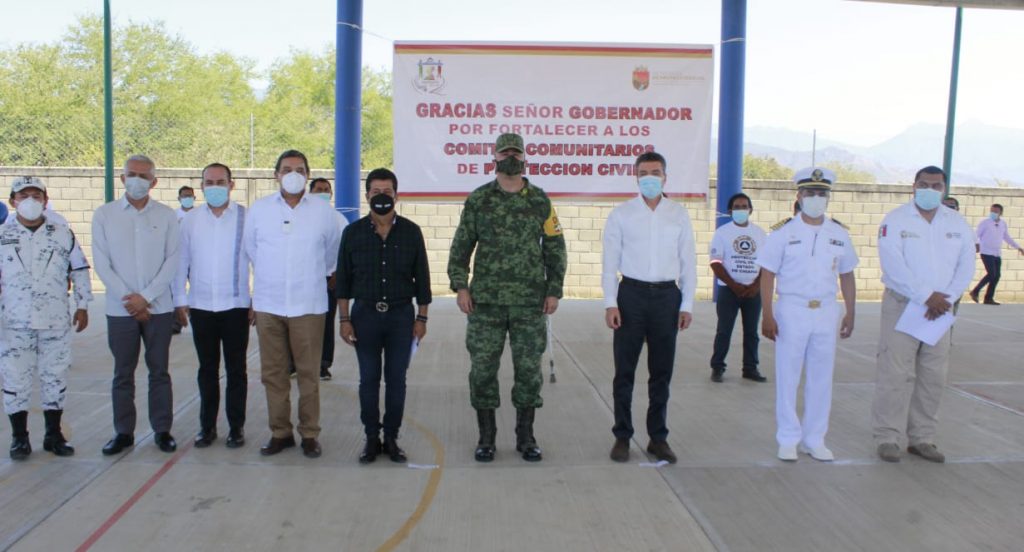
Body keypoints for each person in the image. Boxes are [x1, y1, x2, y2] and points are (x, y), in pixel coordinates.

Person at [448, 133, 567, 463]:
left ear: (525, 157)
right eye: (505, 153)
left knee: (529, 371)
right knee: (483, 370)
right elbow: (460, 248)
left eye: (516, 152)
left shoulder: (540, 200)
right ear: (495, 157)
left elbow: (556, 249)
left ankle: (526, 436)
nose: (510, 157)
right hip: (485, 303)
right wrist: (461, 286)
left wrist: (554, 289)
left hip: (530, 303)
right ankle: (486, 437)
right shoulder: (479, 200)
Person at [872, 167, 976, 463]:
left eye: (936, 185)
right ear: (914, 186)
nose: (930, 189)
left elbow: (966, 266)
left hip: (941, 309)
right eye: (924, 184)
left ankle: (922, 438)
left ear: (944, 189)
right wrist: (925, 296)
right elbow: (893, 265)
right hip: (903, 304)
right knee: (894, 373)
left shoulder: (957, 223)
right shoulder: (896, 220)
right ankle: (887, 437)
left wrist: (946, 299)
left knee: (933, 376)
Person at [244, 150, 342, 459]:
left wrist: (319, 274)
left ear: (308, 174)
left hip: (308, 305)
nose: (293, 174)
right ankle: (280, 432)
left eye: (300, 169)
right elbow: (251, 251)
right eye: (287, 169)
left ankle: (310, 434)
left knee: (308, 374)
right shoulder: (259, 211)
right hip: (269, 304)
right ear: (276, 174)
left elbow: (333, 254)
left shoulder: (325, 213)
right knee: (273, 374)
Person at [601, 151, 696, 464]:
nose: (650, 178)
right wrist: (610, 303)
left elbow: (689, 263)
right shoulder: (622, 214)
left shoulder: (678, 214)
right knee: (624, 372)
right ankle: (622, 437)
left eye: (656, 172)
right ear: (636, 176)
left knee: (661, 373)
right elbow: (609, 263)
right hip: (631, 296)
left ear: (665, 177)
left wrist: (687, 304)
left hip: (667, 298)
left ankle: (658, 438)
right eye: (644, 173)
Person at [758, 167, 858, 462]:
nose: (816, 199)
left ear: (828, 198)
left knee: (821, 377)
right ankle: (788, 437)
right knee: (788, 376)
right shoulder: (783, 233)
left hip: (826, 309)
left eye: (822, 194)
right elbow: (767, 275)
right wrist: (767, 314)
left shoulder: (838, 233)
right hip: (792, 308)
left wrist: (851, 312)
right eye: (810, 193)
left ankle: (815, 439)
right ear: (799, 196)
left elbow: (847, 274)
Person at [337, 168, 431, 464]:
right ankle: (370, 438)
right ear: (367, 196)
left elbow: (423, 280)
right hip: (364, 314)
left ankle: (391, 437)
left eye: (387, 192)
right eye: (376, 192)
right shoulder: (352, 233)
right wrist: (344, 319)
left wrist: (422, 319)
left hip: (401, 316)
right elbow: (343, 281)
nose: (381, 197)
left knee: (396, 380)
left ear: (396, 196)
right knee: (368, 380)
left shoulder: (411, 231)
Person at [92, 155, 180, 455]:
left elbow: (172, 261)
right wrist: (130, 300)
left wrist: (147, 297)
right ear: (122, 178)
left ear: (154, 182)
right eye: (132, 174)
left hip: (159, 308)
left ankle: (162, 430)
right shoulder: (104, 215)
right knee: (122, 373)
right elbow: (102, 263)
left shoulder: (168, 216)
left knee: (159, 372)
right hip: (120, 310)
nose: (137, 180)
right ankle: (123, 432)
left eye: (144, 176)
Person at [1, 177, 92, 460]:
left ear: (46, 199)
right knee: (16, 380)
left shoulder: (63, 233)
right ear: (12, 201)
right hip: (14, 323)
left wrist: (83, 304)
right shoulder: (2, 236)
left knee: (55, 377)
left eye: (36, 194)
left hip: (55, 320)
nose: (30, 199)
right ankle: (19, 438)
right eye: (23, 194)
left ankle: (54, 435)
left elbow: (79, 269)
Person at [172, 163, 251, 449]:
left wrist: (255, 299)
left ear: (231, 185)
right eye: (209, 182)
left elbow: (259, 260)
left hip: (236, 306)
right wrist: (180, 300)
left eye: (221, 182)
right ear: (201, 185)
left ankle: (236, 427)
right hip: (201, 307)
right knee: (207, 369)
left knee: (236, 371)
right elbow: (181, 261)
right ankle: (207, 427)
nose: (215, 187)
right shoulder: (190, 221)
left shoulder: (246, 217)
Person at [709, 192, 768, 383]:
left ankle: (750, 368)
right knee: (724, 330)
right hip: (729, 291)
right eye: (737, 207)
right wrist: (734, 286)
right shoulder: (722, 233)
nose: (741, 210)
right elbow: (716, 262)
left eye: (744, 206)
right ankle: (718, 367)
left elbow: (767, 264)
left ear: (751, 210)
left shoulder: (760, 233)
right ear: (730, 211)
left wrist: (756, 286)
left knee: (752, 332)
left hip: (753, 291)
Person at [309, 177, 348, 380]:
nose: (322, 192)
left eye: (326, 189)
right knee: (299, 321)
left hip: (329, 279)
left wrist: (337, 273)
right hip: (305, 279)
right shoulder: (301, 216)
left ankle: (324, 364)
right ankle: (293, 363)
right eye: (318, 189)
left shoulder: (338, 219)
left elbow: (345, 250)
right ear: (310, 192)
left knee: (325, 324)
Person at [969, 203, 1023, 305]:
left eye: (995, 211)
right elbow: (976, 235)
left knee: (997, 275)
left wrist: (1018, 247)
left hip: (997, 253)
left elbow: (1007, 237)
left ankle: (988, 298)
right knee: (991, 274)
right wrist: (975, 245)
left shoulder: (1003, 224)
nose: (993, 213)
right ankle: (975, 291)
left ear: (1000, 213)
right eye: (992, 211)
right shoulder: (985, 223)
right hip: (986, 252)